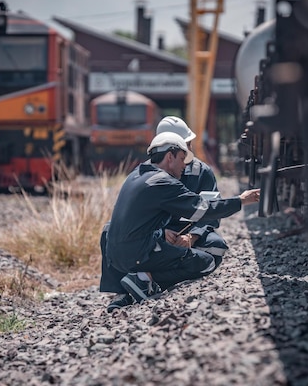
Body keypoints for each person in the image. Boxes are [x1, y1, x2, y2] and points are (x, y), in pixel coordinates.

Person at [100, 131, 260, 313]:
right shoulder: (163, 182)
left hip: (115, 257)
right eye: (182, 158)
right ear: (170, 156)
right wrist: (240, 200)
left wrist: (161, 234)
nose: (185, 165)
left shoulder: (136, 175)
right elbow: (202, 209)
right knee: (205, 261)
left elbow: (136, 221)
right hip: (138, 254)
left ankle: (123, 293)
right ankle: (145, 279)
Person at [155, 116, 228, 269]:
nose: (189, 148)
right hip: (158, 235)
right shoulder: (150, 174)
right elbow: (140, 213)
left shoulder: (202, 172)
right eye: (185, 144)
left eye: (189, 143)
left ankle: (168, 268)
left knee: (216, 245)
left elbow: (213, 211)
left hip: (191, 233)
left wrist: (192, 236)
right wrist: (161, 231)